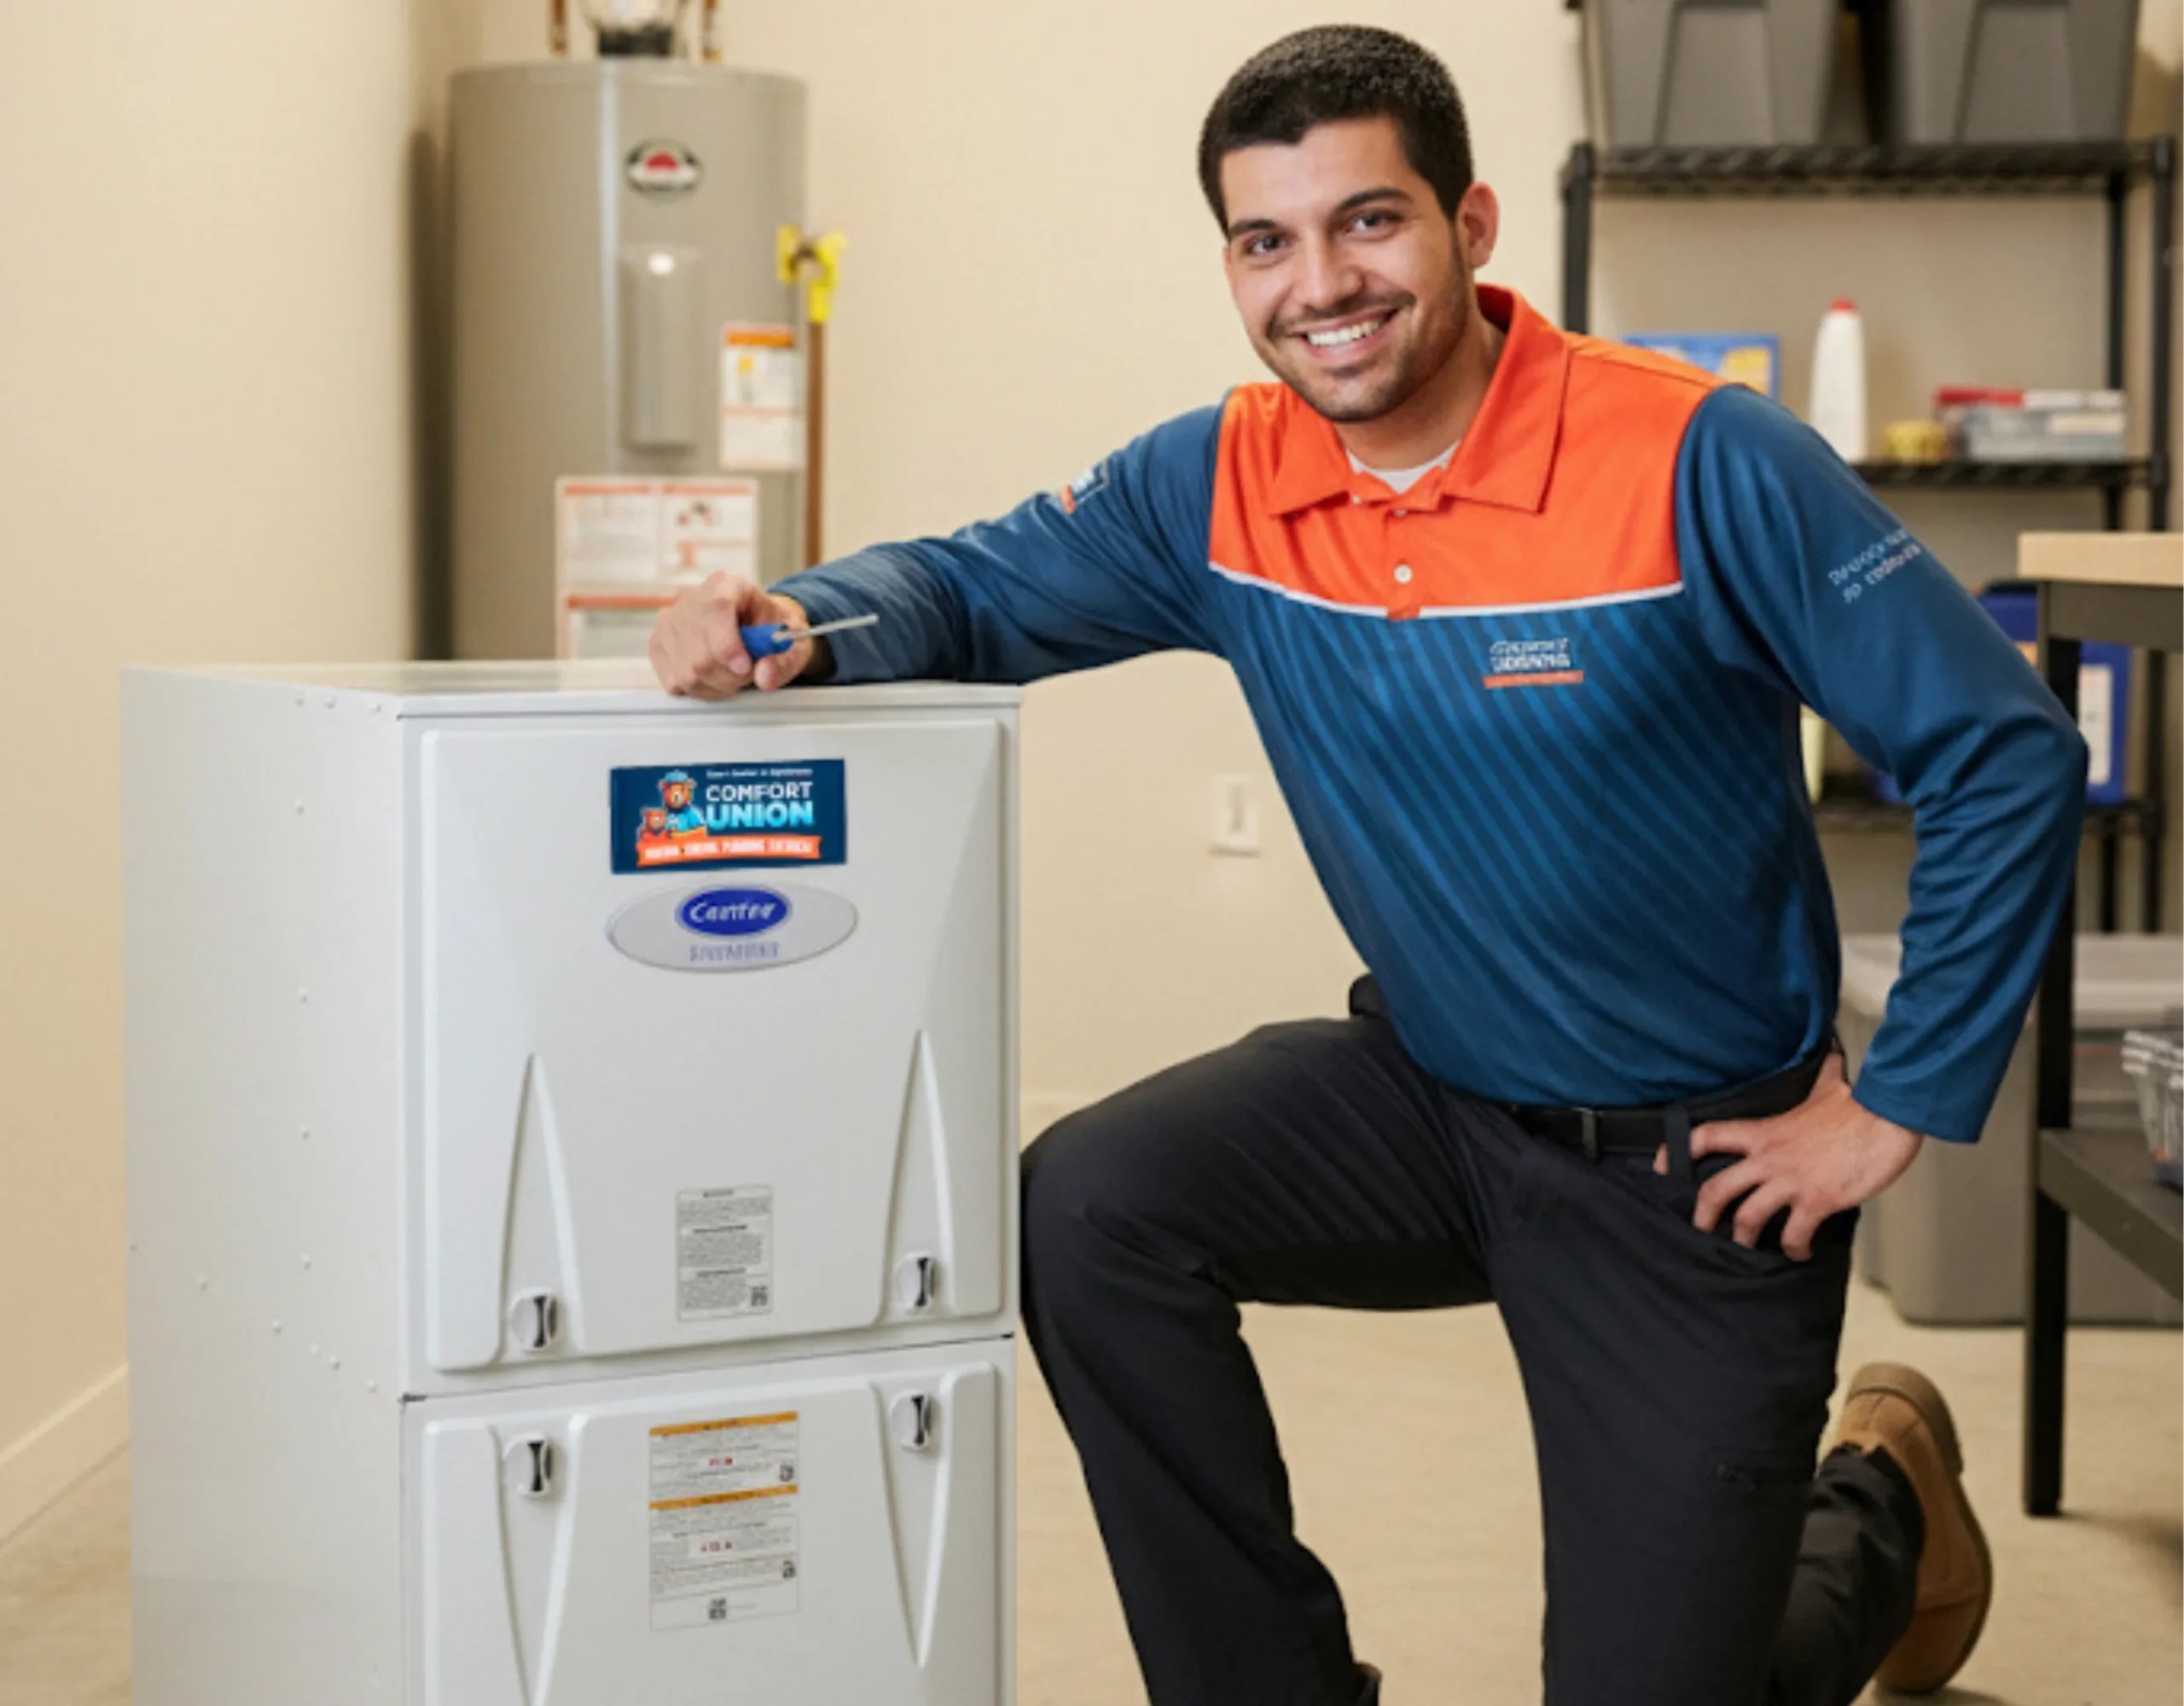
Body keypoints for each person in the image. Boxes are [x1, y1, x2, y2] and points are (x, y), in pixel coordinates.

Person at [648, 26, 2081, 1705]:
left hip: (1688, 1167)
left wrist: (1895, 1099)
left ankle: (1879, 1505)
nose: (1318, 284)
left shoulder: (1701, 455)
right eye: (1265, 240)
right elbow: (969, 585)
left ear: (1471, 225)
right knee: (1087, 1205)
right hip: (1431, 1098)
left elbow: (2002, 750)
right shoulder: (1220, 478)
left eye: (1368, 222)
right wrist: (794, 618)